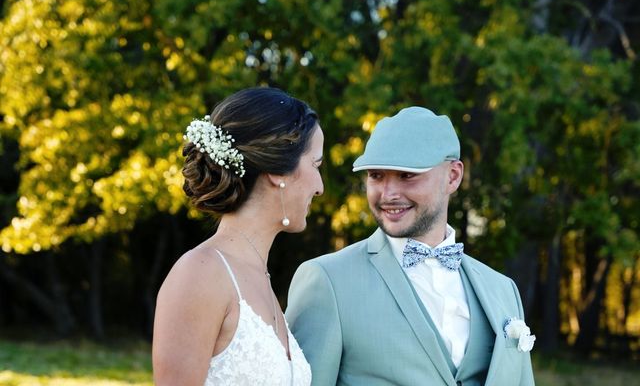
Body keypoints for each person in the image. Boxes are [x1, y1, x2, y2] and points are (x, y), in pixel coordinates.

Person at [286, 106, 536, 386]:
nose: (388, 194)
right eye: (377, 176)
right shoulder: (327, 281)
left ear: (452, 176)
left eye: (407, 175)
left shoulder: (503, 290)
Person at [153, 87, 324, 386]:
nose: (320, 186)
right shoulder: (199, 275)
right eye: (315, 165)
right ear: (277, 172)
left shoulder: (260, 277)